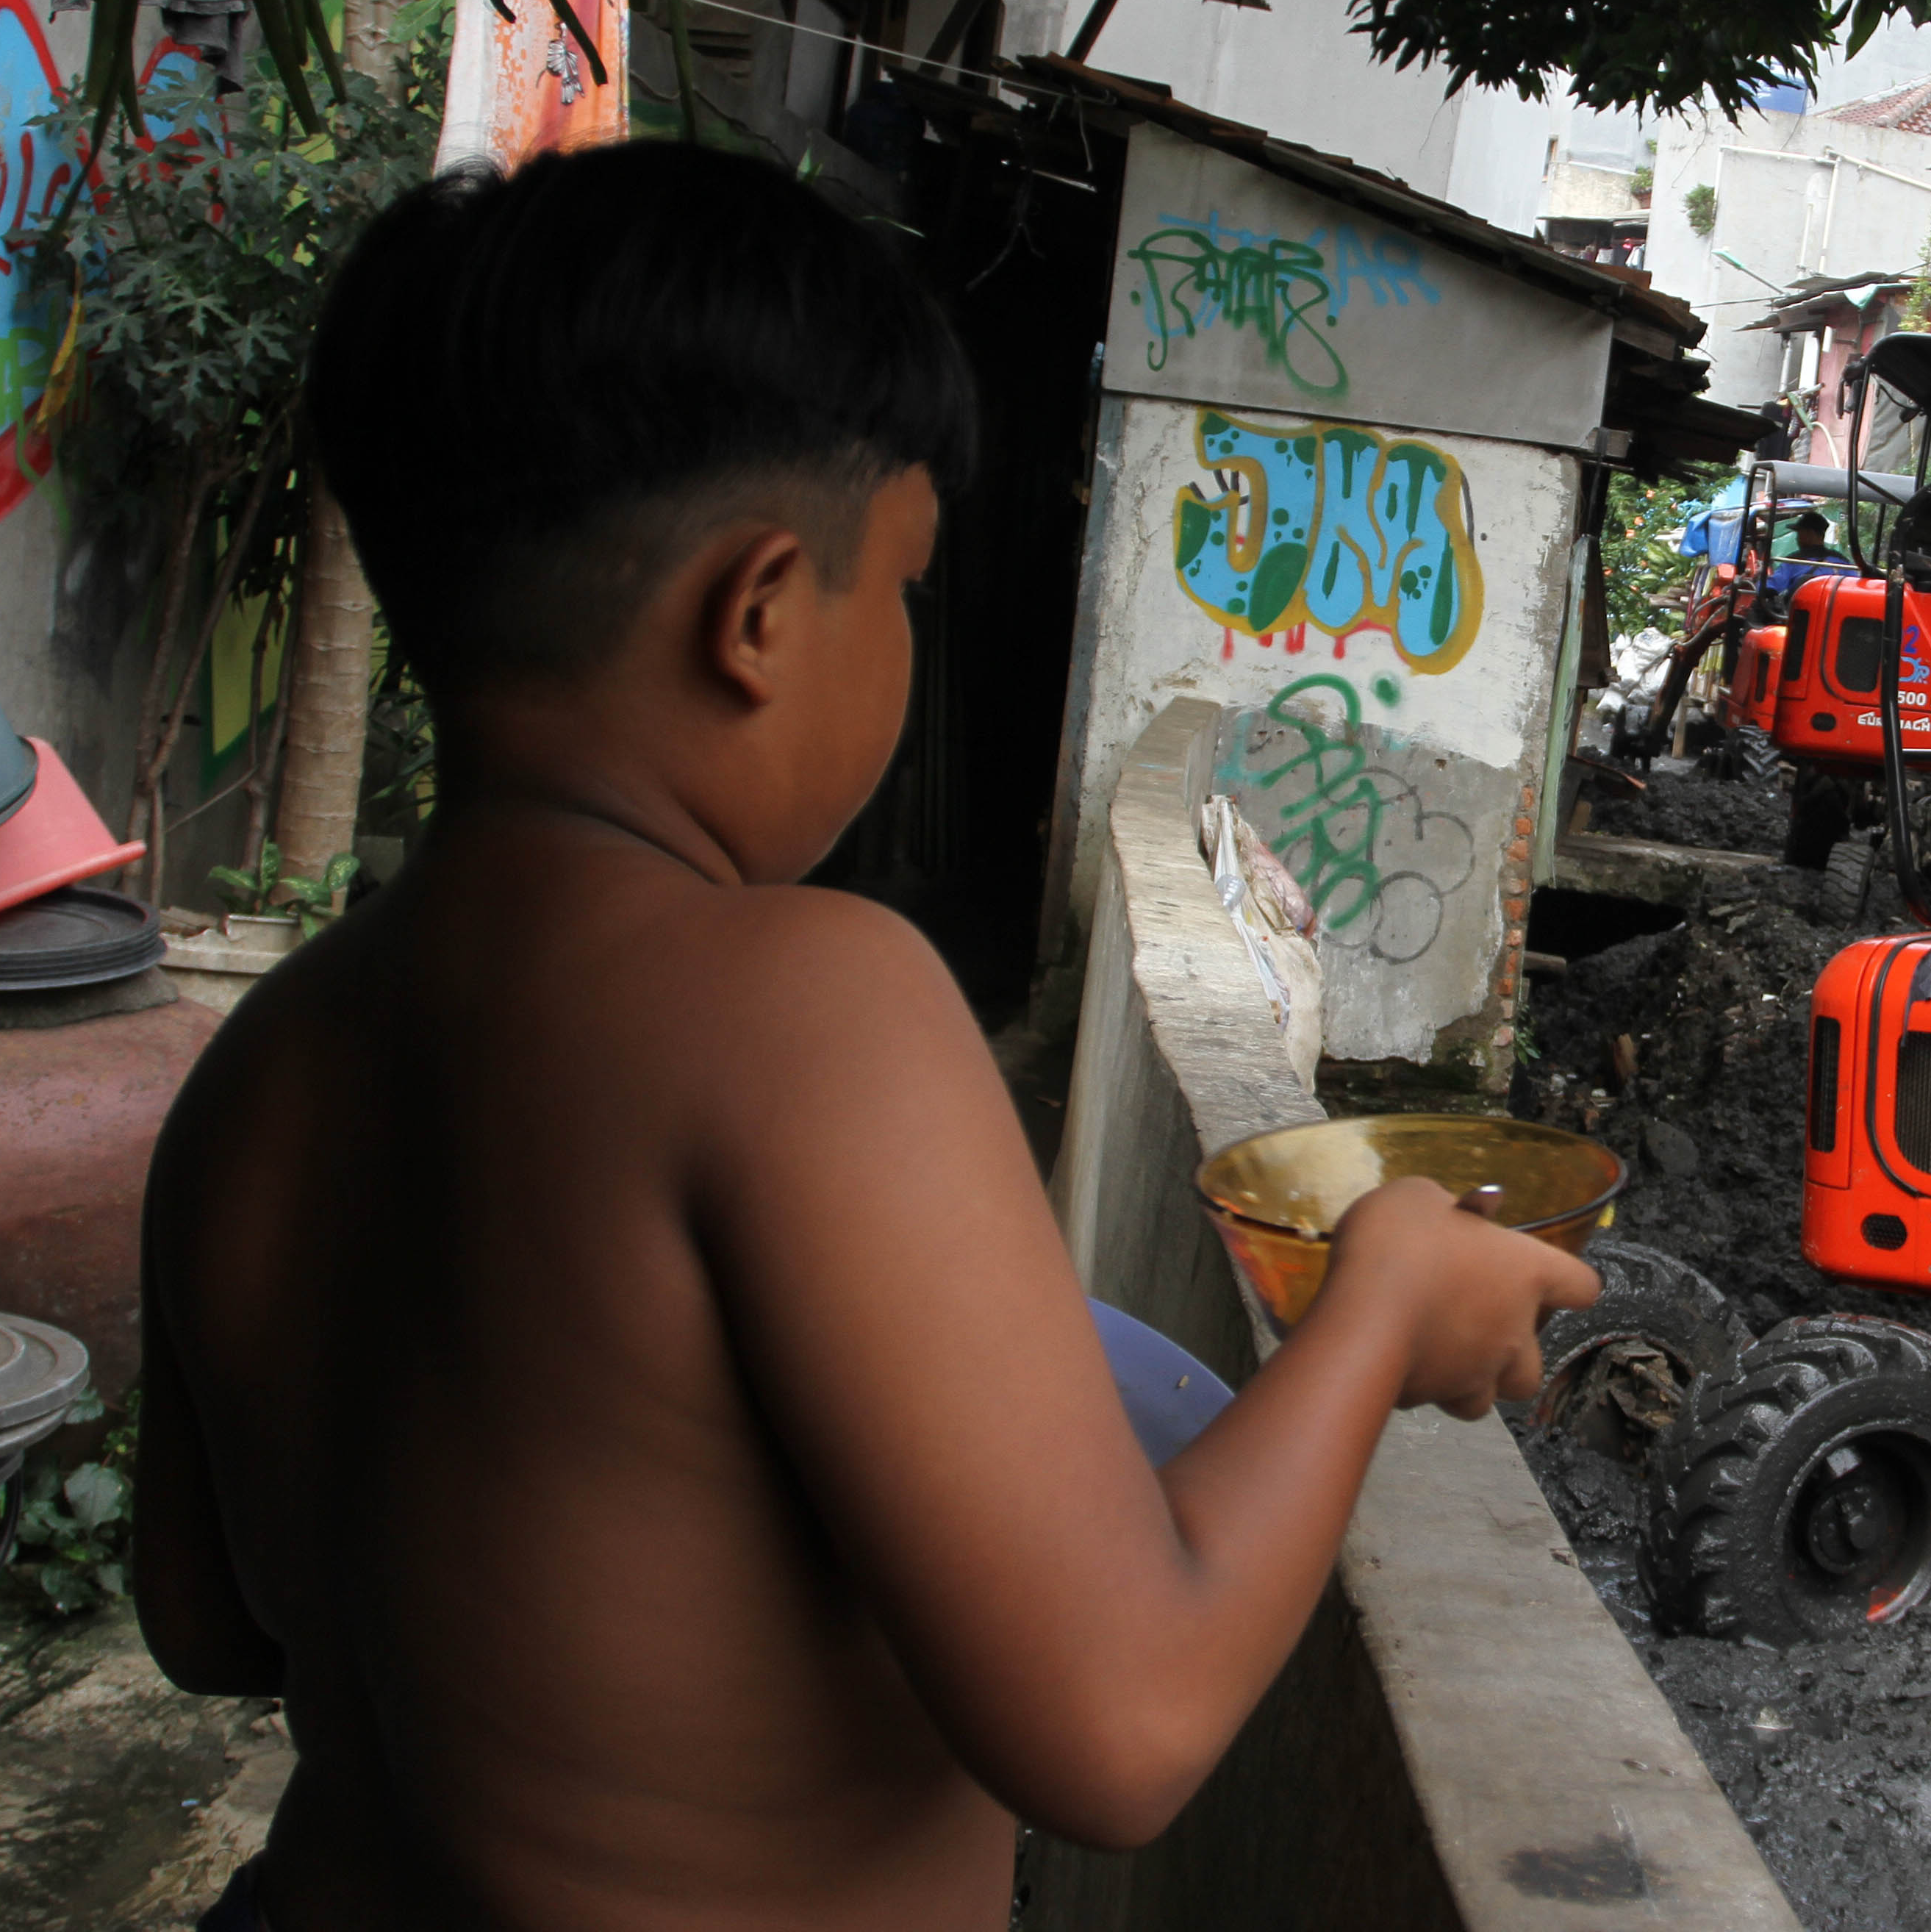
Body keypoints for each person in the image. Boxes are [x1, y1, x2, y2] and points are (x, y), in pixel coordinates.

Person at [133, 143, 1597, 1932]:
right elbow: (1121, 1725)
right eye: (900, 588)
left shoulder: (262, 1065)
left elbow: (208, 1626)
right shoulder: (802, 1004)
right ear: (755, 615)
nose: (908, 643)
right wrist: (1373, 1307)